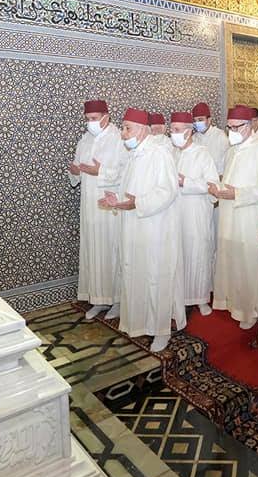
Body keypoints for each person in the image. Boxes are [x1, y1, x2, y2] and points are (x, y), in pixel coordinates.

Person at [101, 108, 184, 352]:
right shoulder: (134, 156)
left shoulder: (159, 154)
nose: (123, 133)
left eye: (127, 128)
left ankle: (161, 330)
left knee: (156, 278)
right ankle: (138, 324)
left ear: (142, 130)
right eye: (123, 128)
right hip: (134, 226)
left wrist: (136, 203)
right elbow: (130, 191)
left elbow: (167, 191)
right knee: (136, 274)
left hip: (155, 228)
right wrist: (117, 200)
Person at [211, 105, 258, 329]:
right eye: (228, 127)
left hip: (250, 216)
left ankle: (252, 311)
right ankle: (235, 304)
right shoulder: (232, 151)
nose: (231, 131)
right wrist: (218, 189)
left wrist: (238, 194)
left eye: (235, 127)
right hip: (229, 214)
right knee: (232, 259)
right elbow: (229, 181)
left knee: (250, 263)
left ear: (248, 126)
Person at [68, 99, 128, 320]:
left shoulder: (119, 139)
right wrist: (75, 171)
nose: (90, 123)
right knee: (93, 250)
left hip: (110, 204)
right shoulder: (85, 140)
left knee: (111, 250)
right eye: (87, 119)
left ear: (106, 117)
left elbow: (125, 171)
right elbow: (77, 169)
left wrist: (99, 172)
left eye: (94, 118)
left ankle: (117, 300)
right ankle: (98, 299)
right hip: (89, 205)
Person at [171, 111, 219, 317]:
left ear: (188, 132)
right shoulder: (172, 153)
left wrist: (186, 182)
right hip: (175, 212)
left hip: (196, 213)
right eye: (171, 130)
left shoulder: (202, 153)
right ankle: (180, 297)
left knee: (198, 254)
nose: (173, 134)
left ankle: (200, 299)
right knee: (179, 254)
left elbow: (212, 185)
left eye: (177, 130)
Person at [192, 102, 229, 174]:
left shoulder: (220, 136)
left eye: (200, 120)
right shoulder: (193, 138)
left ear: (209, 120)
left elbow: (227, 162)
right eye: (195, 121)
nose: (197, 123)